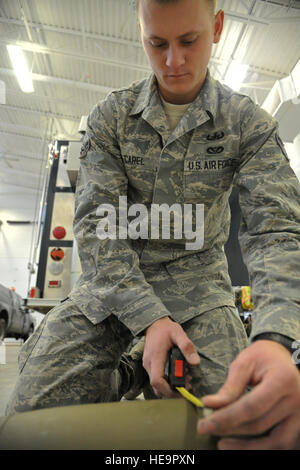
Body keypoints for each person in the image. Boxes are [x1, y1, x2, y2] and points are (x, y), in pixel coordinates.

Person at [6, 0, 300, 450]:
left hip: (199, 290)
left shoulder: (248, 125)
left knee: (244, 417)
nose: (173, 61)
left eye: (189, 40)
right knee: (30, 422)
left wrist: (276, 338)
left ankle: (141, 363)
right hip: (113, 288)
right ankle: (133, 365)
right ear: (140, 29)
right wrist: (150, 318)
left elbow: (276, 231)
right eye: (157, 43)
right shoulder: (111, 118)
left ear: (217, 26)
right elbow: (99, 226)